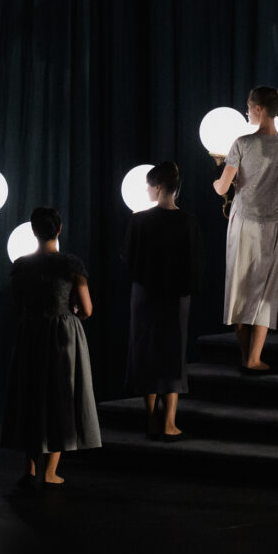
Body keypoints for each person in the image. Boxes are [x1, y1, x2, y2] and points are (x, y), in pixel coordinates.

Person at [3, 207, 102, 485]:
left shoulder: (21, 266)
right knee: (59, 396)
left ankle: (31, 469)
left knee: (32, 395)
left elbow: (16, 308)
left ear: (33, 231)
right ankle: (50, 472)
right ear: (59, 230)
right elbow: (87, 309)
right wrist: (71, 312)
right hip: (62, 336)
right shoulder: (70, 264)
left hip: (32, 334)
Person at [214, 86, 278, 372]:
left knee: (239, 287)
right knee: (265, 289)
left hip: (243, 222)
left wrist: (220, 178)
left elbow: (222, 188)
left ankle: (245, 357)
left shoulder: (242, 143)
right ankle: (255, 357)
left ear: (259, 109)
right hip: (273, 224)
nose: (247, 111)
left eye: (249, 107)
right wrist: (270, 189)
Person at [124, 163, 203, 440]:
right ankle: (169, 423)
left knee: (146, 351)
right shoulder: (189, 222)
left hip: (144, 294)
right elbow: (196, 266)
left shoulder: (139, 221)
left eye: (149, 186)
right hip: (177, 296)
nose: (146, 190)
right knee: (173, 355)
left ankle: (151, 420)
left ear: (158, 187)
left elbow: (129, 260)